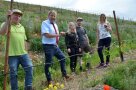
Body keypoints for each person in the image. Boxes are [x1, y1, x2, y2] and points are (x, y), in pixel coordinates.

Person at [0, 9, 33, 90]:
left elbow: (24, 41)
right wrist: (8, 20)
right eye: (15, 15)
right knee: (13, 74)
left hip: (23, 54)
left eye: (19, 16)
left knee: (30, 68)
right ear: (11, 15)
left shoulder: (22, 27)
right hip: (12, 55)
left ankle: (28, 87)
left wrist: (27, 52)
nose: (17, 17)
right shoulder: (6, 24)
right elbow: (2, 32)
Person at [41, 10, 70, 85]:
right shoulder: (44, 23)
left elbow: (56, 35)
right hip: (48, 46)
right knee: (48, 63)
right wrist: (58, 35)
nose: (53, 17)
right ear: (48, 16)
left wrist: (60, 34)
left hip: (55, 46)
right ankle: (49, 80)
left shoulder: (55, 24)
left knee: (63, 58)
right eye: (51, 15)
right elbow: (46, 35)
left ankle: (64, 75)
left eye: (54, 16)